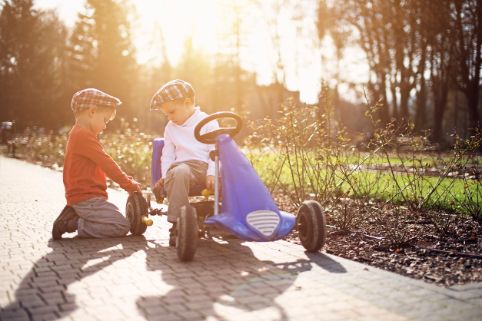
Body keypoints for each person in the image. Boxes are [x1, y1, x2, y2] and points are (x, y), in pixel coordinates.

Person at [52, 88, 141, 240]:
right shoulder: (83, 135)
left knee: (114, 218)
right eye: (105, 120)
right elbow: (107, 163)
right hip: (87, 198)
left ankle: (75, 212)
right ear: (92, 112)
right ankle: (73, 222)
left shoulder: (79, 133)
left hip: (86, 197)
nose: (105, 126)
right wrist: (128, 184)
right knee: (121, 225)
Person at [150, 79, 218, 246]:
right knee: (179, 171)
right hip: (181, 168)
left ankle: (231, 219)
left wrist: (212, 173)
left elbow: (215, 151)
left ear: (188, 103)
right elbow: (167, 155)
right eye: (166, 114)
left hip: (204, 167)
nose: (169, 117)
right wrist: (166, 177)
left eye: (172, 112)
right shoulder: (171, 128)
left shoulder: (208, 122)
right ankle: (177, 224)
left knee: (237, 168)